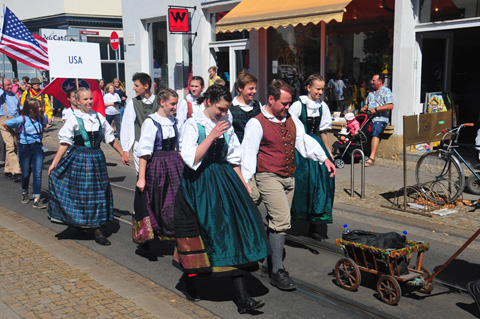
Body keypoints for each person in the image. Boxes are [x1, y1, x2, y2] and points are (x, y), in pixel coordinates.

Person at [174, 84, 269, 313]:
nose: (224, 114)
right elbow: (190, 158)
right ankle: (190, 281)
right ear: (209, 102)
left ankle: (243, 298)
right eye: (220, 109)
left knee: (231, 236)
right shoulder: (193, 124)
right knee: (199, 238)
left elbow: (233, 157)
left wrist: (243, 183)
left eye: (226, 110)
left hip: (224, 182)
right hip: (198, 185)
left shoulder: (225, 125)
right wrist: (211, 135)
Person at [241, 80, 336, 291]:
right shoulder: (256, 123)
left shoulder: (291, 119)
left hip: (288, 176)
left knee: (277, 220)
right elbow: (248, 153)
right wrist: (247, 180)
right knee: (281, 220)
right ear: (271, 99)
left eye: (289, 103)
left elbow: (303, 142)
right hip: (267, 175)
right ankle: (278, 271)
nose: (287, 107)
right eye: (283, 103)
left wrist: (324, 159)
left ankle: (268, 262)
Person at [48, 88, 127, 246]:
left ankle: (96, 228)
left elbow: (109, 138)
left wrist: (122, 153)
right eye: (85, 99)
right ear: (77, 101)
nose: (89, 102)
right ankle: (81, 225)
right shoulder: (73, 118)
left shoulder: (98, 117)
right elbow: (65, 142)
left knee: (97, 193)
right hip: (79, 159)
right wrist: (54, 162)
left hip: (97, 159)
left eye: (90, 99)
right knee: (80, 194)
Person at [288, 74, 335, 241]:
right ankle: (293, 218)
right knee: (301, 182)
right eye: (318, 89)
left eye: (322, 89)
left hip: (317, 146)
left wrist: (328, 152)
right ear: (309, 88)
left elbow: (323, 132)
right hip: (300, 147)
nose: (321, 92)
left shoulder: (323, 107)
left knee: (319, 184)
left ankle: (314, 225)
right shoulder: (297, 105)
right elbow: (291, 130)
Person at [134, 89, 183, 244]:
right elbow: (144, 153)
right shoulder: (151, 122)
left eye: (176, 104)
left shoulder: (175, 122)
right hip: (157, 166)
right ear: (162, 102)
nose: (175, 107)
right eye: (172, 104)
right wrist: (141, 178)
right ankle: (154, 234)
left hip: (175, 165)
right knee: (157, 201)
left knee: (175, 202)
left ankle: (175, 235)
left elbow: (180, 148)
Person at [4, 98, 47, 208]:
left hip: (37, 147)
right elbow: (6, 124)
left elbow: (45, 126)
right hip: (25, 147)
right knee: (26, 173)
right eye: (37, 106)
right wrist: (15, 133)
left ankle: (37, 199)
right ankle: (24, 192)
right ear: (31, 109)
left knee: (37, 173)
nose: (39, 108)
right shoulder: (22, 119)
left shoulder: (41, 118)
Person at [120, 72, 159, 171]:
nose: (134, 88)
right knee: (142, 175)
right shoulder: (133, 103)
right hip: (140, 145)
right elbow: (127, 125)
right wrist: (125, 149)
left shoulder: (159, 101)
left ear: (146, 86)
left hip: (158, 145)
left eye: (136, 85)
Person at [360, 73, 393, 167]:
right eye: (372, 80)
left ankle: (372, 157)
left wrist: (376, 109)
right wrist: (364, 108)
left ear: (380, 81)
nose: (372, 82)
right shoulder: (371, 92)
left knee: (376, 129)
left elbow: (391, 106)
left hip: (380, 118)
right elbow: (367, 104)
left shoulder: (386, 91)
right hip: (369, 117)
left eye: (374, 80)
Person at [229, 71, 262, 144]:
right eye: (251, 89)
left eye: (255, 88)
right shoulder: (231, 108)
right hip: (238, 149)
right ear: (240, 88)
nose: (255, 91)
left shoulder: (258, 105)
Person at [0, 78, 22, 182]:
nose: (10, 86)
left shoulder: (14, 96)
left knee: (14, 145)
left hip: (15, 121)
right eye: (7, 85)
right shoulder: (1, 95)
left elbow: (20, 108)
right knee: (10, 146)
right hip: (4, 121)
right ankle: (16, 171)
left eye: (10, 84)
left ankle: (8, 169)